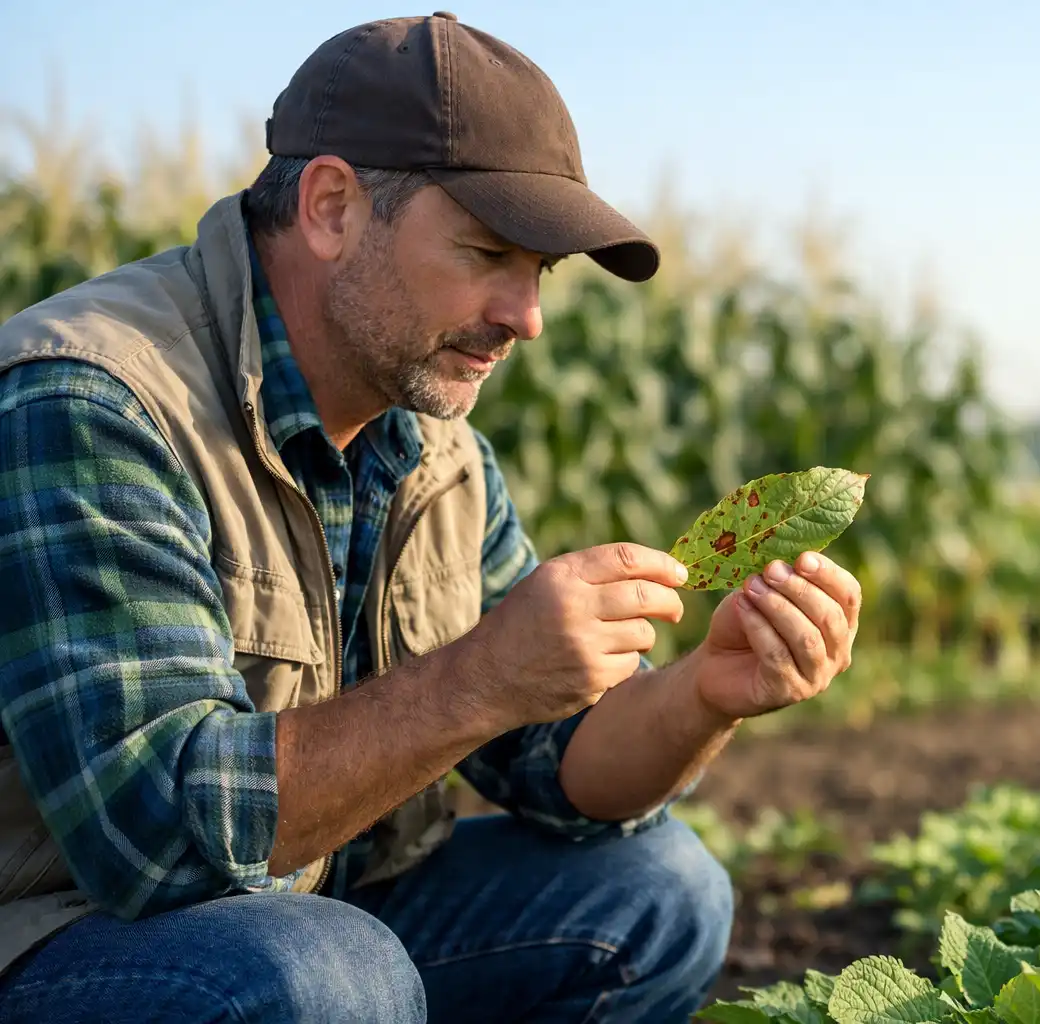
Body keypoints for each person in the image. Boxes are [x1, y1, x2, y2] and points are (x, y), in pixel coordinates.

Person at [0, 12, 861, 1023]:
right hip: (66, 937)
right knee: (330, 977)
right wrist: (482, 676)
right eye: (489, 252)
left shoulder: (437, 452)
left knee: (660, 894)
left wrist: (704, 693)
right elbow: (153, 839)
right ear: (331, 207)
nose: (527, 317)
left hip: (317, 910)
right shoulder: (95, 399)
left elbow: (554, 761)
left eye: (540, 271)